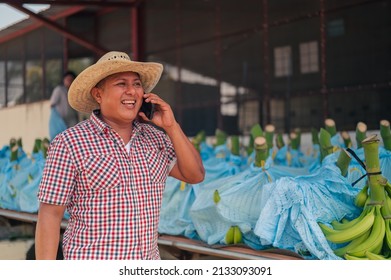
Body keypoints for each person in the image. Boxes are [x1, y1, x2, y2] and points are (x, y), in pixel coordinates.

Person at [35, 51, 205, 260]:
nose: (131, 91)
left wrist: (171, 126)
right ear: (98, 94)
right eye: (121, 84)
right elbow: (49, 216)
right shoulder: (69, 143)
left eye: (136, 84)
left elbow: (195, 175)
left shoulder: (156, 139)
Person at [49, 70, 79, 140]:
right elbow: (52, 105)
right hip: (61, 123)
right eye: (67, 79)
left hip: (72, 123)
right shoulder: (59, 90)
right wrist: (58, 121)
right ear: (64, 80)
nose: (69, 81)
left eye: (71, 80)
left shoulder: (74, 93)